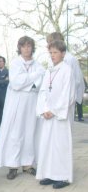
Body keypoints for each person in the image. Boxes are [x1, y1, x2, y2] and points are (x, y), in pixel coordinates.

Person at [0, 36, 45, 180]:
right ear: (20, 48)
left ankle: (28, 164)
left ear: (32, 48)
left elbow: (40, 83)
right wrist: (33, 79)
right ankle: (13, 165)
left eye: (29, 46)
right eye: (24, 46)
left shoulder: (38, 64)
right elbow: (16, 82)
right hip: (16, 104)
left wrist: (29, 82)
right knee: (15, 133)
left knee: (30, 132)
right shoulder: (15, 63)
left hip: (32, 104)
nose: (27, 49)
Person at [36, 40, 76, 189]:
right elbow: (43, 92)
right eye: (50, 52)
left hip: (59, 115)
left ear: (63, 53)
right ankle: (50, 174)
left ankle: (63, 176)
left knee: (60, 145)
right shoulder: (49, 70)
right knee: (47, 144)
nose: (52, 55)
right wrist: (45, 109)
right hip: (48, 114)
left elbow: (68, 94)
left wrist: (54, 111)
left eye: (55, 52)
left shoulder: (67, 70)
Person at [46, 32, 85, 122]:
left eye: (49, 43)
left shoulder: (70, 59)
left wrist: (64, 97)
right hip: (52, 99)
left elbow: (77, 80)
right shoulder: (50, 59)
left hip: (65, 100)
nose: (47, 46)